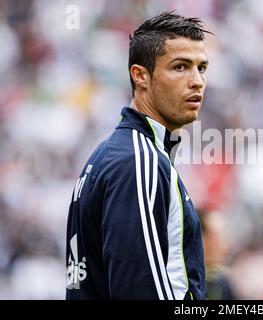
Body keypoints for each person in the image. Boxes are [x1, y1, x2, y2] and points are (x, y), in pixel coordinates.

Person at [65, 12, 211, 300]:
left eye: (202, 68)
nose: (197, 81)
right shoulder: (138, 160)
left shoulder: (116, 153)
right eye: (180, 67)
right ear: (140, 76)